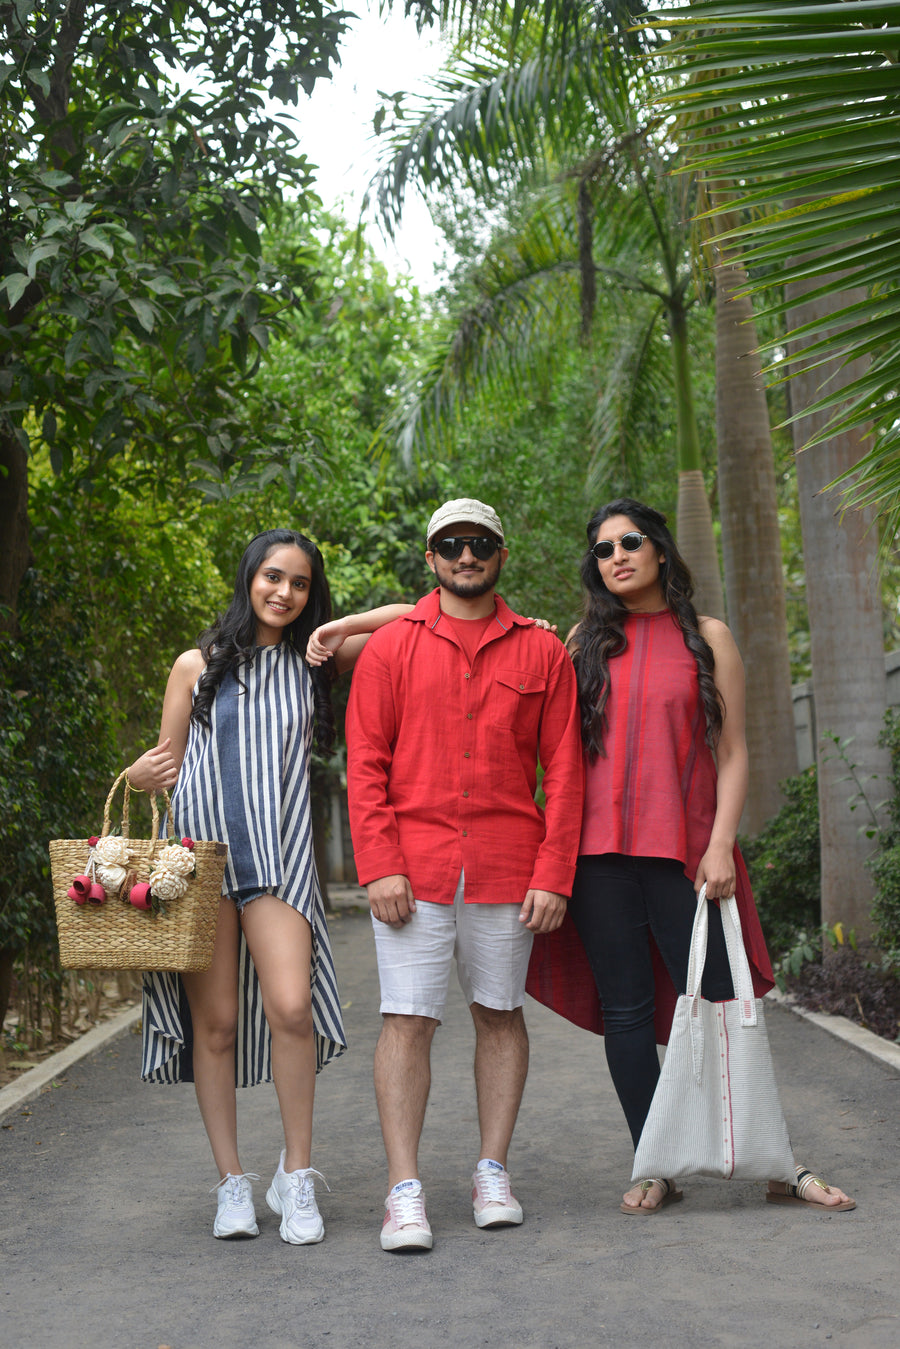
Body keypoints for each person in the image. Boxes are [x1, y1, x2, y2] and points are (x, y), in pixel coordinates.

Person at [527, 499, 855, 1215]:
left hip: (686, 854)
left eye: (631, 541)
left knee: (718, 1002)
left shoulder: (709, 638)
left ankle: (774, 1159)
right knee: (627, 1011)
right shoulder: (582, 641)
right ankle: (655, 1162)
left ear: (662, 550)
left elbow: (732, 752)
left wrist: (718, 844)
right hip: (597, 858)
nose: (617, 555)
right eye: (604, 547)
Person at [127, 529, 409, 1244]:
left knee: (291, 1008)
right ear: (248, 576)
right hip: (197, 863)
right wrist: (137, 775)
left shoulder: (316, 660)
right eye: (273, 577)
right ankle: (231, 1182)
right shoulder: (196, 663)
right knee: (214, 1026)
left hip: (279, 858)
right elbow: (162, 764)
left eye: (301, 583)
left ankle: (298, 1174)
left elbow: (414, 614)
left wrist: (339, 625)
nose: (285, 592)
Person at [331, 498, 584, 1252]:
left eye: (479, 544)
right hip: (412, 869)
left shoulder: (542, 653)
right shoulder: (390, 649)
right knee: (407, 1018)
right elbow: (365, 765)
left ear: (500, 553)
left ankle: (491, 1170)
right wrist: (378, 863)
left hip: (511, 867)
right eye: (451, 544)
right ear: (432, 556)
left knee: (499, 1012)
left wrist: (555, 871)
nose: (465, 555)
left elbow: (566, 771)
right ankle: (403, 1190)